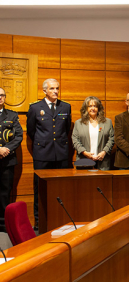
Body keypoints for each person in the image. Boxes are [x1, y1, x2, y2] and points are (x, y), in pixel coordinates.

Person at [27, 78, 71, 230]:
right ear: (44, 90)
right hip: (42, 153)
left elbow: (66, 129)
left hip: (61, 153)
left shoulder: (65, 107)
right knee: (40, 188)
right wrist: (44, 142)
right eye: (52, 89)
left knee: (62, 187)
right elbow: (31, 131)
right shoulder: (34, 108)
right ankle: (40, 221)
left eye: (57, 88)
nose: (56, 91)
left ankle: (62, 219)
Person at [0, 87, 23, 232]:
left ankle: (3, 224)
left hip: (7, 160)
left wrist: (5, 149)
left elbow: (19, 136)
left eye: (2, 95)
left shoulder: (12, 115)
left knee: (4, 192)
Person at [72, 96, 114, 170]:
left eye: (95, 106)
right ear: (86, 108)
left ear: (99, 108)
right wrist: (84, 152)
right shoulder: (79, 123)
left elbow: (112, 139)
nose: (93, 108)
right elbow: (75, 140)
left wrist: (104, 152)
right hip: (84, 161)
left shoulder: (107, 122)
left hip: (102, 161)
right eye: (90, 106)